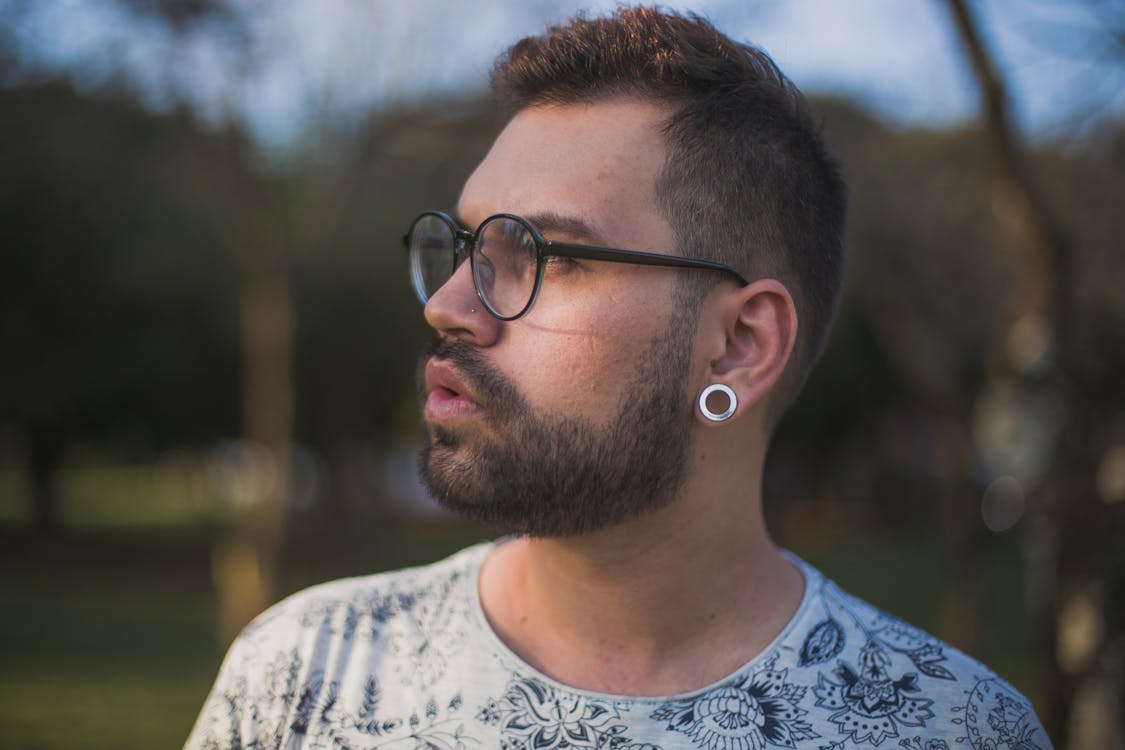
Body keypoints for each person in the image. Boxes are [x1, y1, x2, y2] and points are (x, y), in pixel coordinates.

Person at [185, 7, 1052, 749]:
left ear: (739, 346)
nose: (448, 305)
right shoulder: (305, 676)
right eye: (464, 245)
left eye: (539, 255)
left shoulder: (945, 727)